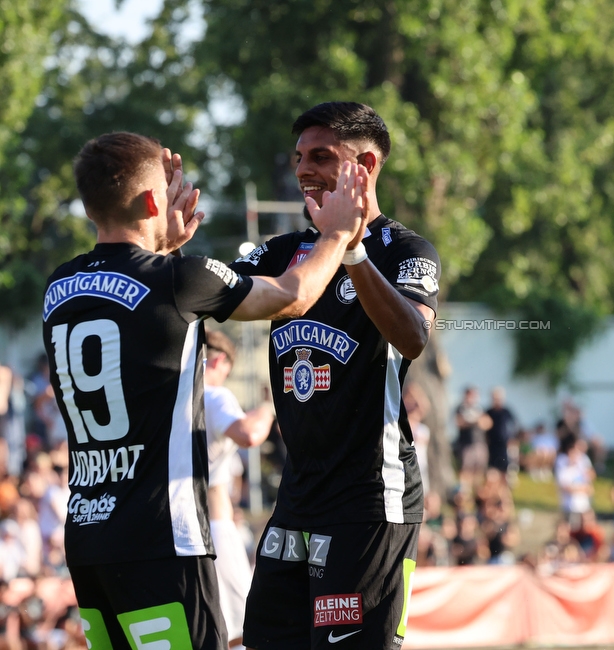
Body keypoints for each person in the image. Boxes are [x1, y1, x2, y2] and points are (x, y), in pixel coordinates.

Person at [42, 131, 367, 649]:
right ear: (154, 201)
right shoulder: (180, 278)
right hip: (162, 538)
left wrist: (161, 247)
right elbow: (293, 295)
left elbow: (143, 316)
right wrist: (336, 234)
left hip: (88, 537)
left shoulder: (59, 287)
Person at [230, 102, 440, 650]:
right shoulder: (281, 254)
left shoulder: (407, 252)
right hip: (296, 497)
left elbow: (413, 338)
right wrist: (164, 250)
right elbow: (204, 299)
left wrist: (352, 253)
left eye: (320, 156)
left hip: (371, 499)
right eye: (298, 156)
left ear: (365, 166)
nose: (303, 169)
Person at [203, 329, 274, 649]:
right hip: (214, 530)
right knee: (246, 631)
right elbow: (249, 433)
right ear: (219, 361)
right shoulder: (213, 395)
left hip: (171, 533)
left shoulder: (167, 401)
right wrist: (268, 409)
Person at [485, 386, 518, 475]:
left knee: (505, 469)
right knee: (493, 470)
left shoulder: (507, 412)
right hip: (492, 445)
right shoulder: (488, 412)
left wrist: (512, 439)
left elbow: (514, 426)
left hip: (505, 445)